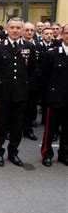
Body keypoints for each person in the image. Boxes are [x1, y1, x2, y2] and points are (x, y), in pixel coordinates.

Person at [0, 17, 36, 167]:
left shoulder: (29, 46)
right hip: (3, 93)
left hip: (20, 93)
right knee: (0, 125)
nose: (15, 30)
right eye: (12, 27)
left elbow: (33, 69)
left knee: (17, 125)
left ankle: (13, 152)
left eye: (18, 28)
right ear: (7, 29)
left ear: (22, 30)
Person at [40, 24, 68, 166]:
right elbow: (44, 76)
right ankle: (47, 153)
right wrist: (46, 98)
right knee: (51, 129)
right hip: (55, 97)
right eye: (67, 33)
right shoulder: (52, 53)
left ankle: (64, 154)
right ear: (62, 35)